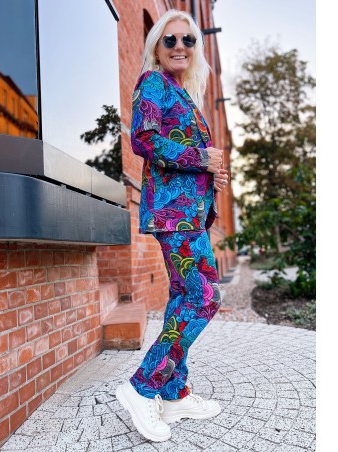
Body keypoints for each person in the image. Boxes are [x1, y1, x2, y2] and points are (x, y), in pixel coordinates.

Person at [115, 9, 230, 442]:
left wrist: (211, 176)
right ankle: (142, 386)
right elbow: (143, 138)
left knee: (184, 296)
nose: (180, 46)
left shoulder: (183, 93)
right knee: (204, 297)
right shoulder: (154, 82)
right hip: (174, 213)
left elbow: (187, 157)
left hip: (189, 212)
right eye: (170, 40)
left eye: (188, 40)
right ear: (157, 47)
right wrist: (201, 158)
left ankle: (175, 393)